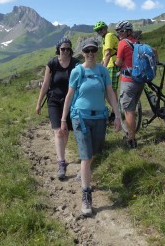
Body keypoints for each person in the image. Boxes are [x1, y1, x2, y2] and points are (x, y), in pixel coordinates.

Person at [61, 39, 122, 216]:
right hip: (80, 118)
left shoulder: (103, 71)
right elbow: (69, 96)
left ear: (97, 51)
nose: (90, 53)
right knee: (86, 157)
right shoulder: (77, 71)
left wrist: (116, 115)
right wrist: (64, 120)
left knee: (95, 151)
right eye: (87, 50)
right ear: (82, 53)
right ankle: (86, 196)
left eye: (93, 50)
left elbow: (110, 93)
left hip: (100, 118)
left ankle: (83, 171)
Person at [36, 38, 80, 180]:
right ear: (58, 50)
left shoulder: (75, 64)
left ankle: (61, 155)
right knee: (58, 132)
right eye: (63, 49)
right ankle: (61, 162)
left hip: (70, 102)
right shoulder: (52, 64)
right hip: (54, 101)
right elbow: (45, 84)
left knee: (65, 131)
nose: (66, 51)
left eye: (68, 49)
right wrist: (39, 103)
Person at [114, 20, 142, 149]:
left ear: (128, 31)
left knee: (129, 110)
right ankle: (132, 130)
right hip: (140, 80)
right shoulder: (137, 42)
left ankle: (131, 139)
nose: (119, 33)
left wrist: (115, 62)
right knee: (132, 106)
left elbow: (119, 63)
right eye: (118, 31)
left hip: (128, 81)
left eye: (121, 31)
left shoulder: (122, 44)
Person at [93, 20, 120, 125]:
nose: (99, 31)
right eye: (97, 30)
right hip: (109, 65)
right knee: (110, 91)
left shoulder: (108, 36)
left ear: (105, 28)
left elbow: (108, 54)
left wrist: (102, 70)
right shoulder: (105, 38)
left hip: (112, 65)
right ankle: (114, 111)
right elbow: (105, 55)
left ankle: (115, 113)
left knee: (111, 91)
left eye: (101, 29)